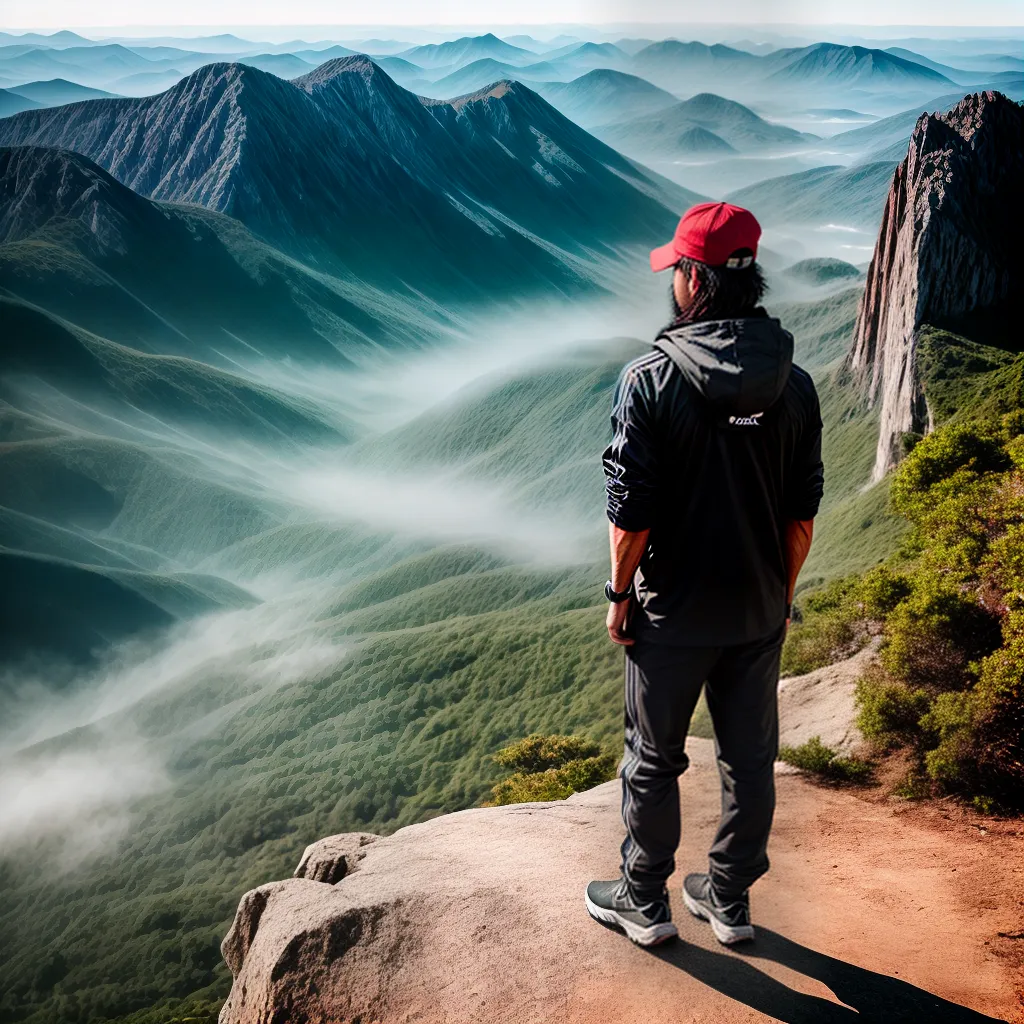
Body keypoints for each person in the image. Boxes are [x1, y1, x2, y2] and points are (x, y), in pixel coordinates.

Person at [585, 202, 824, 947]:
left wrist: (620, 596)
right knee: (750, 759)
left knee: (653, 758)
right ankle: (728, 899)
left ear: (692, 280)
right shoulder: (796, 383)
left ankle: (644, 899)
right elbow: (801, 517)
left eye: (677, 272)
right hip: (757, 609)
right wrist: (781, 599)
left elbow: (631, 517)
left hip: (673, 615)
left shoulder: (649, 380)